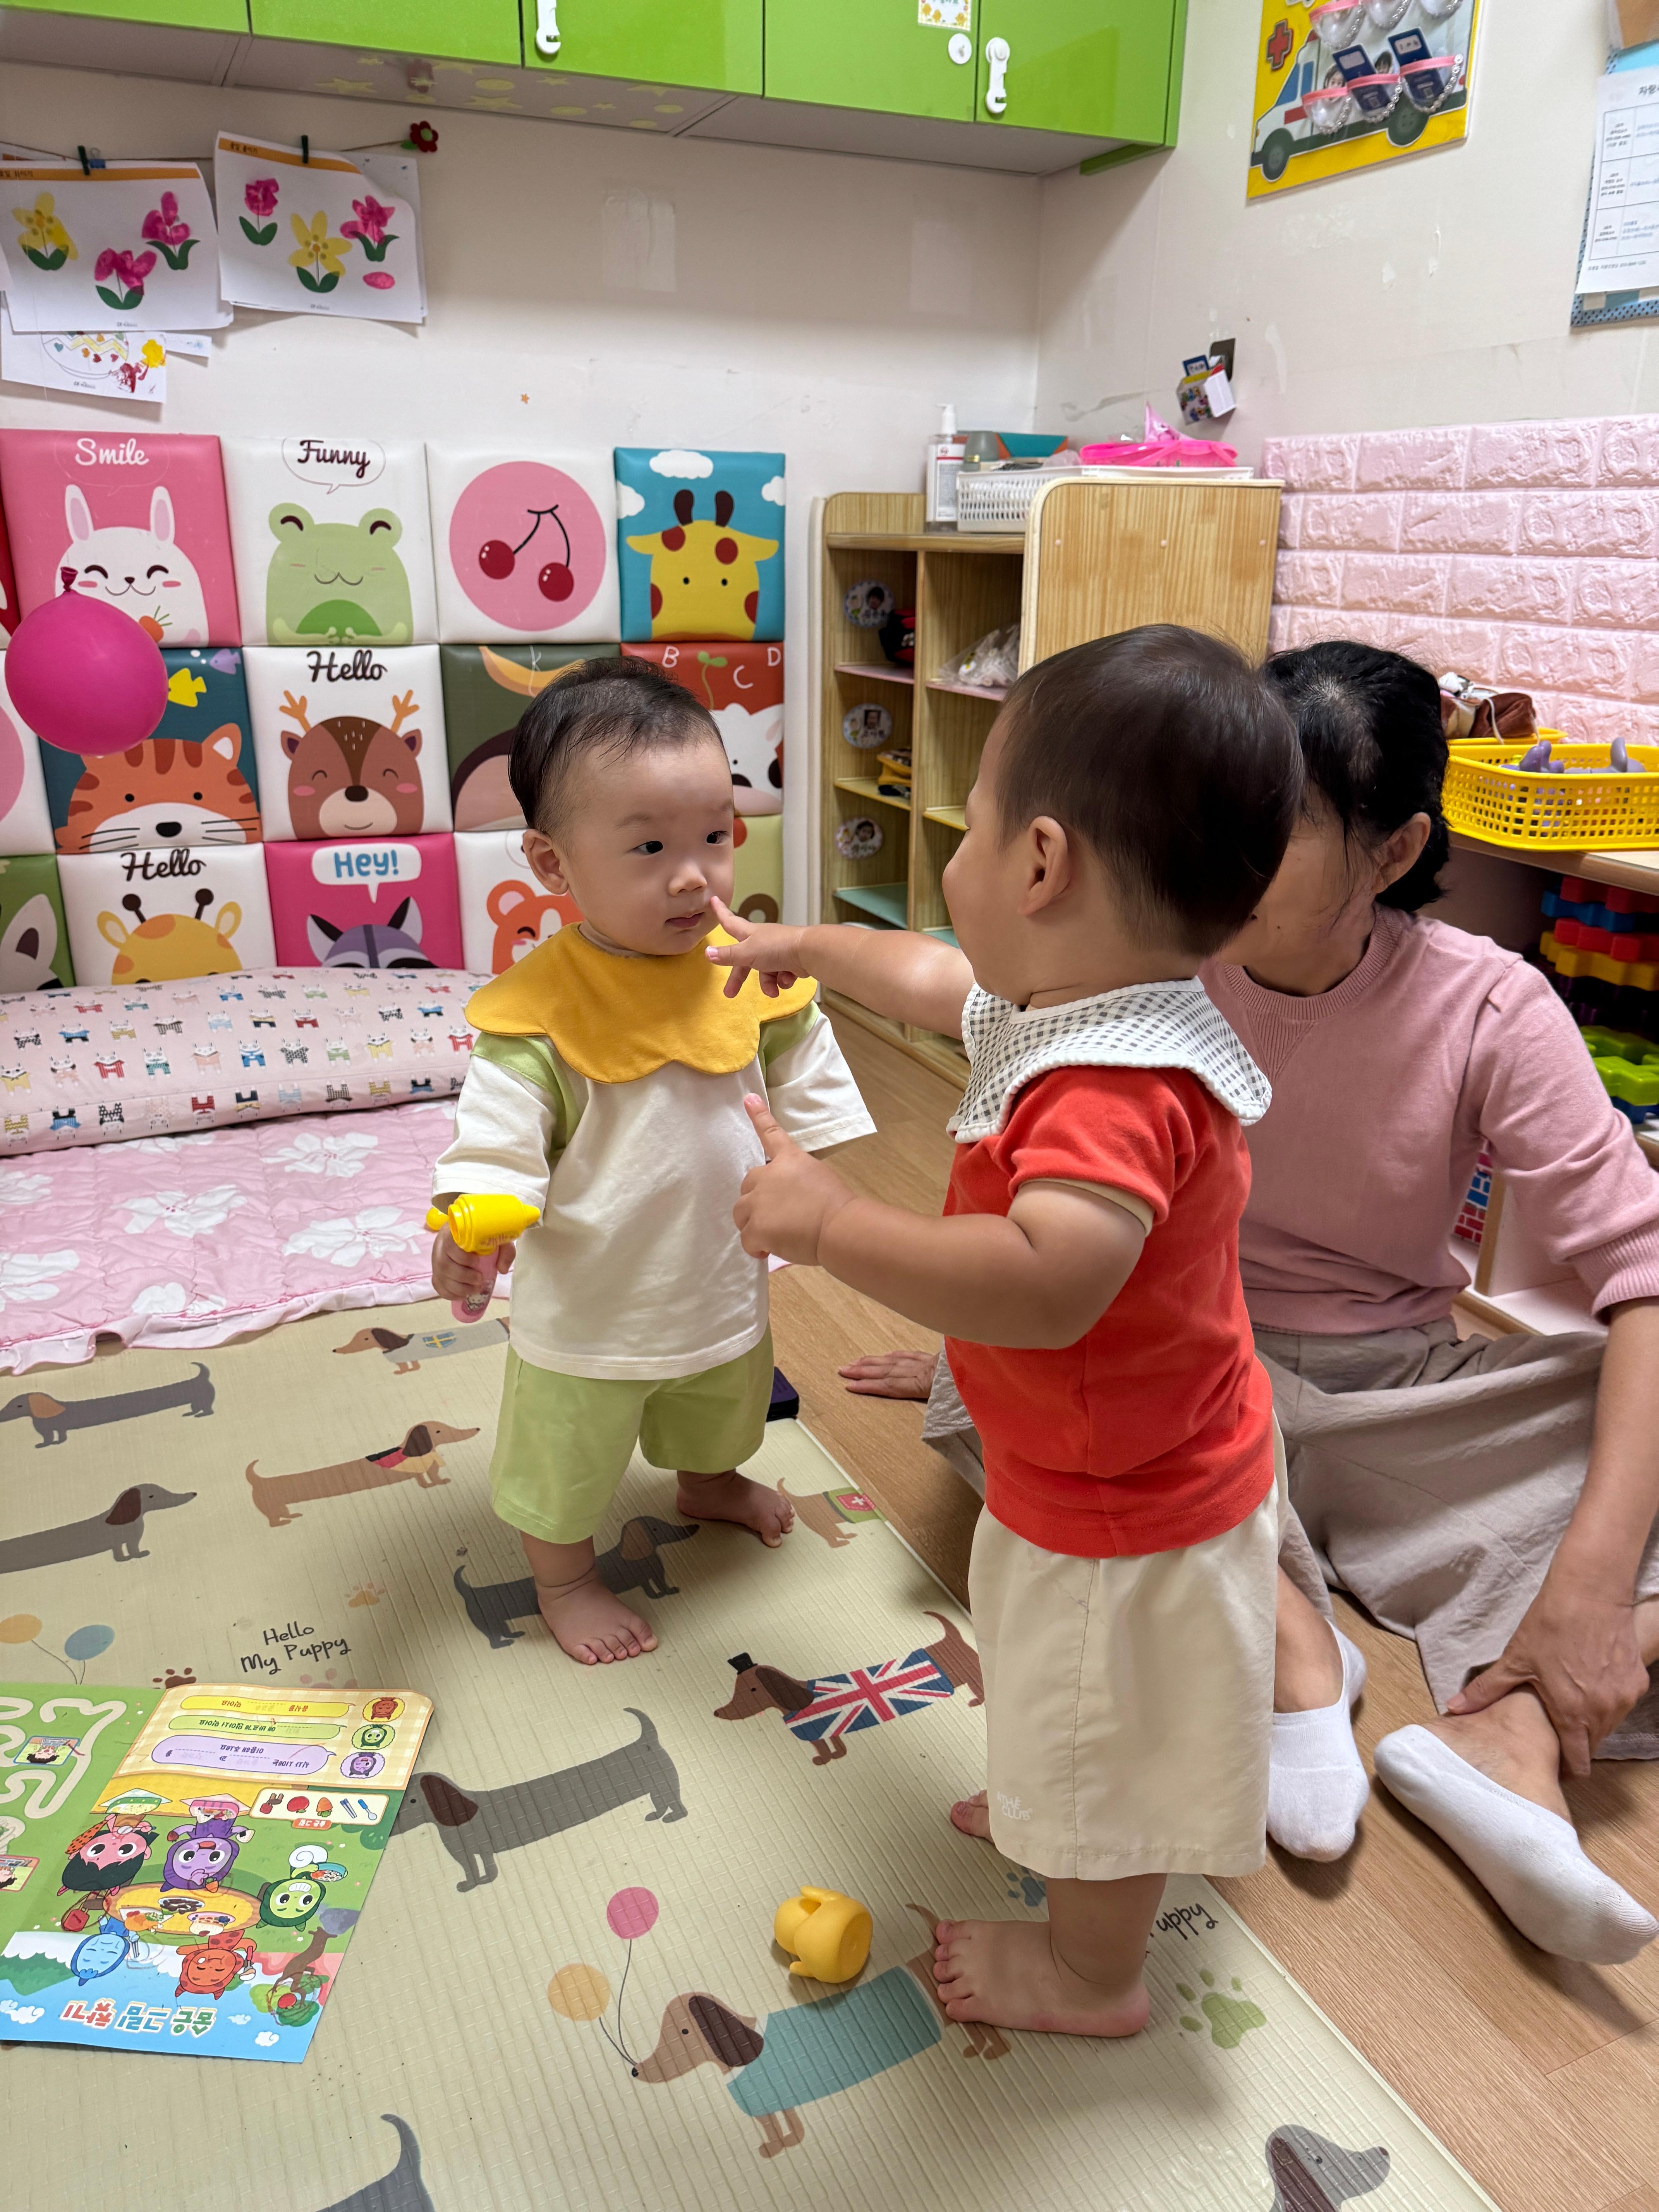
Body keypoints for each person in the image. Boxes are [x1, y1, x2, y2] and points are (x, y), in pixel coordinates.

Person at [866, 639, 1659, 1966]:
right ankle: (1295, 1651)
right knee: (988, 1379)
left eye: (1264, 827)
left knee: (1630, 1461)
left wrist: (1584, 1588)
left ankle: (1504, 1739)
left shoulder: (1489, 1005)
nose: (1209, 854)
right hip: (1170, 1367)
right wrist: (941, 1297)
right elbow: (1009, 1134)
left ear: (1393, 851)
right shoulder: (1142, 958)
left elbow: (1641, 1274)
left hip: (1389, 1382)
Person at [712, 625, 1304, 2037]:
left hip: (1128, 1510)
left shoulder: (1110, 1085)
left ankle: (1091, 1972)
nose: (957, 859)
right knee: (1065, 1694)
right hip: (1092, 1470)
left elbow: (1048, 1283)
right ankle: (1066, 1796)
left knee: (1108, 1725)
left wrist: (829, 1223)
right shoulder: (1079, 999)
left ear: (1040, 864)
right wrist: (798, 944)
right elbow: (923, 976)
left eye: (969, 824)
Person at [431, 658, 873, 1666]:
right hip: (591, 1310)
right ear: (552, 864)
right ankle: (567, 1577)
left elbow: (803, 1091)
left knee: (719, 1406)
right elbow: (494, 1142)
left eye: (715, 836)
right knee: (568, 1460)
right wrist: (472, 1223)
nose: (694, 874)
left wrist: (822, 1191)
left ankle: (707, 1484)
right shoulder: (536, 1016)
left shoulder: (752, 974)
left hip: (719, 1279)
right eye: (648, 847)